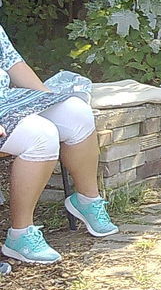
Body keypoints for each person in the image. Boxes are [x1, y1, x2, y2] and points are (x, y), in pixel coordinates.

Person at [1, 25, 118, 264]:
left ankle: (87, 200)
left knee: (76, 112)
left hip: (6, 99)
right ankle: (20, 234)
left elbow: (14, 64)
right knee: (40, 134)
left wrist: (46, 98)